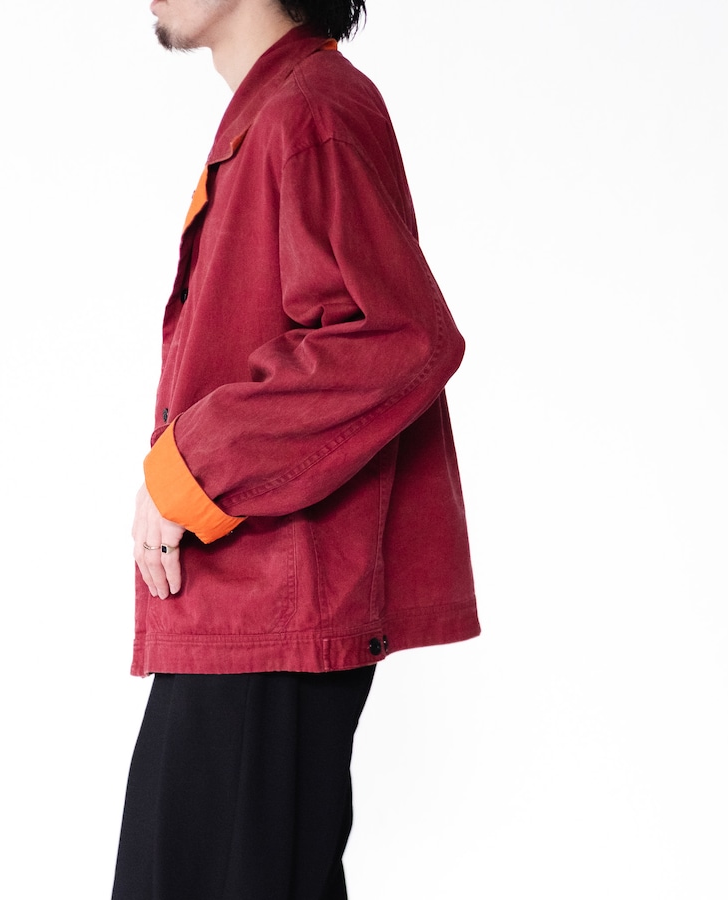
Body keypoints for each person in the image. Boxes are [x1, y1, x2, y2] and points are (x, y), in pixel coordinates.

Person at [111, 1, 480, 897]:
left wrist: (190, 466)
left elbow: (400, 336)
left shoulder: (307, 113)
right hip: (250, 610)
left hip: (271, 609)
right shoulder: (280, 113)